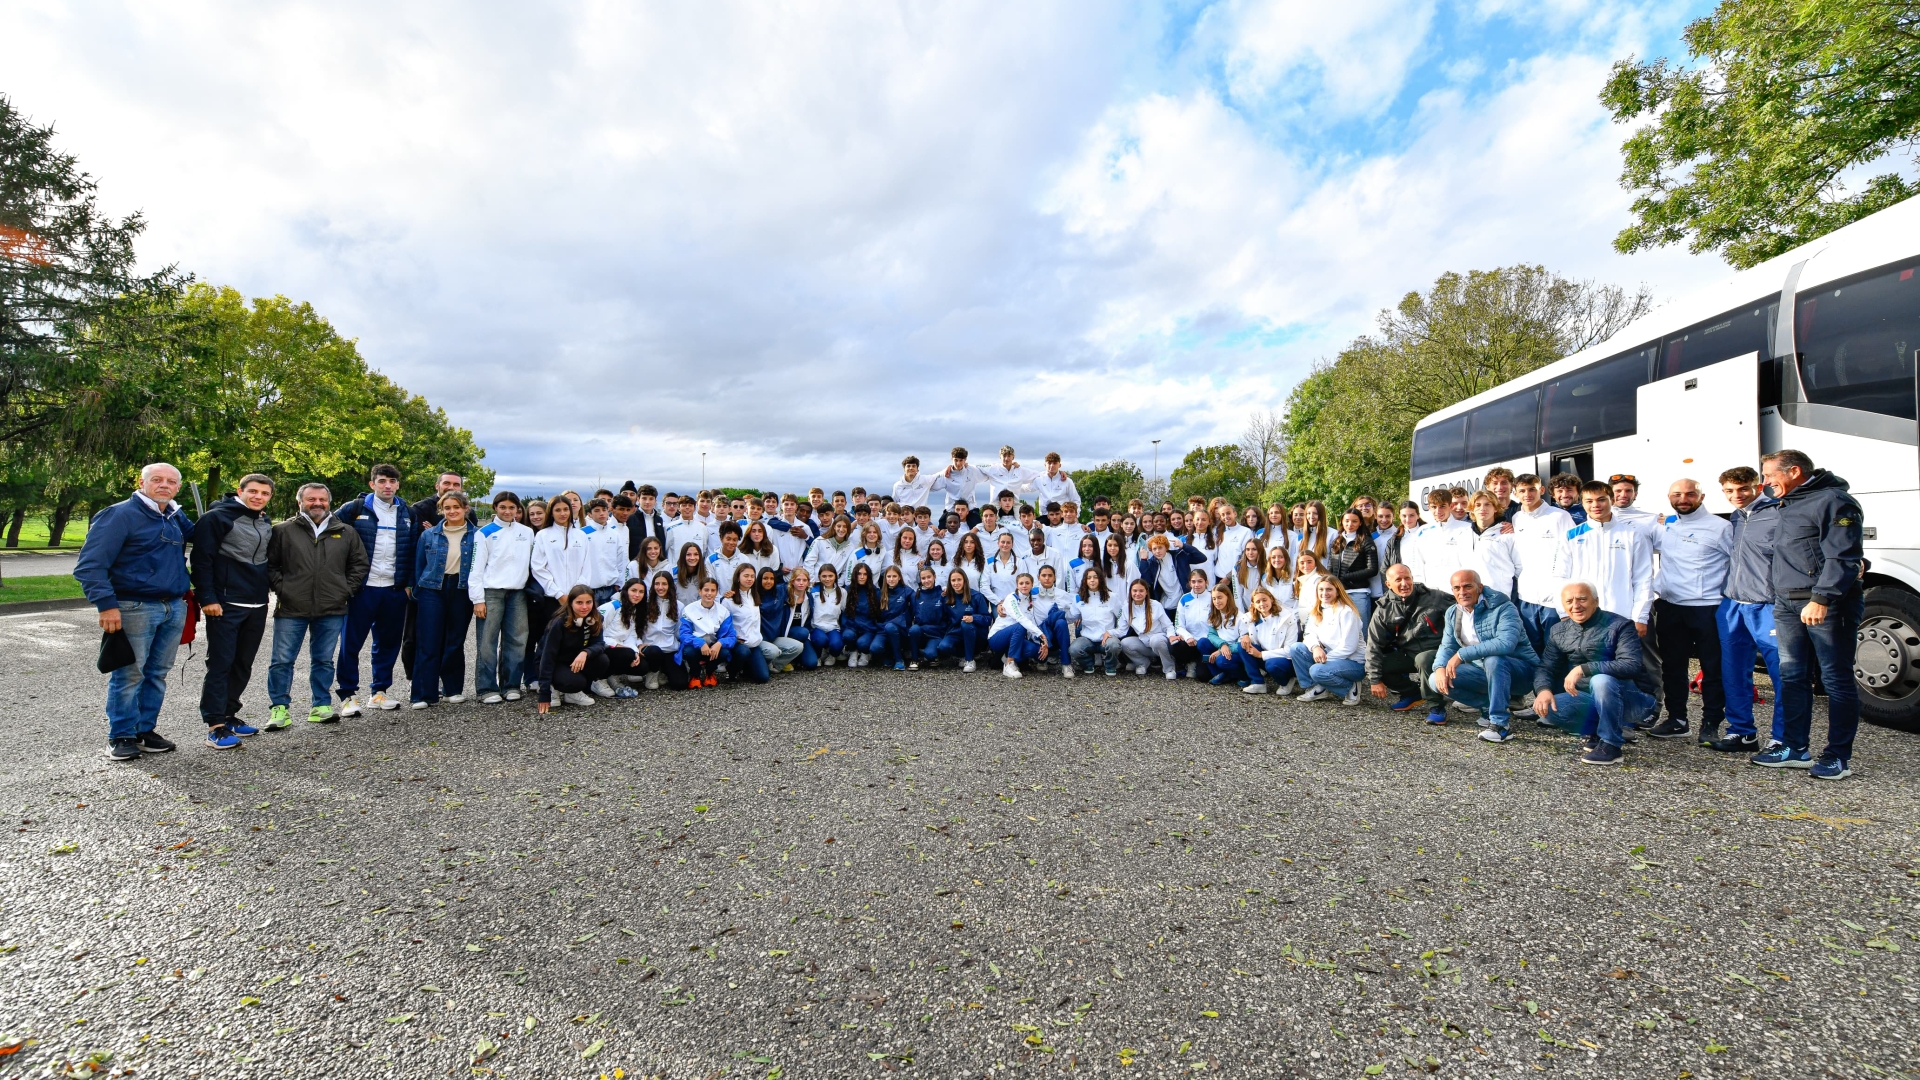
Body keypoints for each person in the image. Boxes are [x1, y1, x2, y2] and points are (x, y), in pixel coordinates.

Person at [1750, 450, 1865, 779]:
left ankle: (1837, 757)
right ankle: (1794, 747)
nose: (1766, 482)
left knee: (1835, 680)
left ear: (1794, 471)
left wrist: (1823, 597)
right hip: (1786, 603)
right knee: (1793, 677)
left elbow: (1843, 556)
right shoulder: (1789, 502)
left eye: (1770, 475)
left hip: (1823, 605)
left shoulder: (1833, 501)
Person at [74, 462, 196, 760]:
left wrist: (178, 511)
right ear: (141, 482)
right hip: (134, 606)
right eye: (157, 480)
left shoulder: (171, 518)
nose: (164, 485)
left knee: (157, 674)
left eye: (171, 481)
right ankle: (121, 735)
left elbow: (200, 538)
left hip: (173, 606)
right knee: (130, 674)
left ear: (178, 488)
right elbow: (90, 566)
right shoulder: (120, 515)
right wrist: (106, 605)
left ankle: (144, 730)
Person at [265, 482, 369, 728]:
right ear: (299, 501)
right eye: (311, 499)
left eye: (322, 499)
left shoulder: (345, 532)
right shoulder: (282, 531)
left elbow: (359, 565)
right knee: (281, 660)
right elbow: (270, 566)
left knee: (323, 660)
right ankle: (279, 709)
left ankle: (321, 705)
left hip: (331, 608)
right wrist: (285, 590)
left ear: (328, 502)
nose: (317, 503)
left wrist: (344, 590)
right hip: (291, 607)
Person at [1531, 581, 1658, 766]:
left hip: (1634, 699)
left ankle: (1611, 745)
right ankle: (1597, 732)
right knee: (1549, 708)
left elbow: (1631, 664)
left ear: (1596, 601)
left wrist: (1583, 669)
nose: (1576, 606)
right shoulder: (1559, 631)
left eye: (1582, 599)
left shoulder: (1621, 625)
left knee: (1601, 681)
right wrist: (1543, 689)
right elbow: (1545, 667)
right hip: (1589, 697)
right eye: (1570, 601)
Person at [190, 473, 275, 748]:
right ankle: (215, 725)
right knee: (220, 663)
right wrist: (207, 599)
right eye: (253, 491)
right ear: (240, 491)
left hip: (257, 603)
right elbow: (201, 560)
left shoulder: (264, 519)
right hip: (225, 604)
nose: (258, 497)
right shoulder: (216, 518)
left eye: (264, 493)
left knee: (242, 664)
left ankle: (230, 714)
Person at [1648, 478, 1731, 742]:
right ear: (1669, 497)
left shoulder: (1721, 527)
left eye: (1690, 494)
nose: (1683, 499)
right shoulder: (1667, 527)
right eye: (1677, 495)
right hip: (1672, 607)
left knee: (1712, 668)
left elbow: (1739, 563)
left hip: (1708, 608)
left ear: (1702, 496)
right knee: (1673, 667)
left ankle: (1711, 723)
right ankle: (1677, 719)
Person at [332, 463, 415, 716]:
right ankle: (347, 695)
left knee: (387, 643)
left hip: (394, 589)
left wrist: (408, 584)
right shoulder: (354, 509)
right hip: (362, 589)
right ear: (372, 484)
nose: (387, 485)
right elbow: (331, 536)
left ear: (398, 484)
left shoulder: (407, 512)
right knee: (351, 644)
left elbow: (413, 549)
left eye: (392, 481)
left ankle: (379, 692)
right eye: (382, 481)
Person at [1713, 466, 1782, 753]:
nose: (1737, 495)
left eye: (1743, 489)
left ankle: (1783, 737)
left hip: (1767, 605)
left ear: (1757, 486)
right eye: (1729, 491)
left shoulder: (1779, 512)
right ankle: (1742, 732)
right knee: (1734, 672)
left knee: (1782, 674)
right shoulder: (1735, 517)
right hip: (1733, 604)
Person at [1428, 569, 1539, 743]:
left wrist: (1462, 654)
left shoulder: (1503, 607)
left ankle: (1500, 726)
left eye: (1467, 586)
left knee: (1493, 659)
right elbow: (1447, 645)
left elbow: (1506, 643)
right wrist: (1440, 667)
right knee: (1435, 680)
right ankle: (1489, 706)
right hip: (1482, 671)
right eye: (1457, 588)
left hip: (1521, 672)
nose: (1462, 592)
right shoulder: (1453, 612)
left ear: (1480, 587)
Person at [410, 491, 477, 709]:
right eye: (447, 508)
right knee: (428, 642)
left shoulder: (477, 536)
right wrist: (418, 591)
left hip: (461, 589)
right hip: (432, 589)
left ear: (466, 509)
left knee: (455, 641)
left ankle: (452, 689)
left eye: (456, 507)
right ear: (442, 510)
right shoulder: (429, 535)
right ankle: (423, 694)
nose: (452, 511)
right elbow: (419, 565)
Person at [1365, 563, 1452, 723]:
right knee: (1383, 665)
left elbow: (1462, 611)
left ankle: (1437, 706)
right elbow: (1373, 645)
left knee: (1423, 659)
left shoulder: (1434, 597)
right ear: (1388, 584)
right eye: (1398, 580)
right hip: (1410, 653)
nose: (1404, 584)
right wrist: (1374, 679)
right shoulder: (1383, 609)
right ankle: (1412, 693)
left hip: (1439, 653)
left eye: (1407, 578)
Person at [470, 491, 534, 704]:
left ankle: (511, 684)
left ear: (518, 509)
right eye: (503, 507)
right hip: (491, 593)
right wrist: (477, 599)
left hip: (518, 592)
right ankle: (486, 688)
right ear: (495, 508)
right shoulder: (484, 533)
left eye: (512, 507)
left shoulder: (527, 532)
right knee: (487, 641)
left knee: (517, 639)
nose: (508, 511)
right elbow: (476, 568)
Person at [401, 471, 463, 678]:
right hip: (425, 581)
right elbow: (419, 540)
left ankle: (443, 678)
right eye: (446, 483)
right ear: (437, 486)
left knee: (449, 635)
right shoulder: (420, 508)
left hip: (455, 584)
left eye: (456, 484)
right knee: (415, 635)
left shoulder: (467, 513)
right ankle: (415, 678)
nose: (451, 487)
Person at [1508, 473, 1574, 656]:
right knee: (1533, 651)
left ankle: (1558, 686)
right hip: (1527, 598)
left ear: (1542, 490)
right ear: (1515, 493)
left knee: (1556, 651)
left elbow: (1572, 555)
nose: (1527, 494)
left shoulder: (1560, 516)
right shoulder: (1517, 519)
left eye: (1532, 489)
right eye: (1522, 490)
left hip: (1554, 599)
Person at [1288, 577, 1366, 703]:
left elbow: (1348, 647)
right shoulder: (1317, 610)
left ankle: (1350, 686)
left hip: (1353, 663)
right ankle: (1317, 688)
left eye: (1329, 589)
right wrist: (1315, 648)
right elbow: (1309, 634)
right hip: (1331, 658)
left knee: (1317, 670)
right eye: (1321, 589)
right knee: (1297, 648)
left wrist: (1323, 659)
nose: (1324, 593)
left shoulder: (1347, 612)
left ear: (1338, 591)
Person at [537, 585, 607, 710]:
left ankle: (572, 693)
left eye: (588, 602)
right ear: (571, 603)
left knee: (602, 660)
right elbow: (548, 656)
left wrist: (585, 652)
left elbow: (599, 643)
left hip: (575, 659)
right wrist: (544, 692)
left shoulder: (596, 618)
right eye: (579, 602)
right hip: (555, 662)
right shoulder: (559, 623)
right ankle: (554, 687)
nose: (584, 607)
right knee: (575, 682)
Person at [1405, 490, 1473, 592]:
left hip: (1458, 592)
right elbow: (1418, 564)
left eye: (1442, 506)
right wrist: (1420, 589)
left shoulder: (1467, 529)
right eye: (1434, 507)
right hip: (1430, 593)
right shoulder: (1423, 531)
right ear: (1429, 508)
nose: (1438, 511)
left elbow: (1470, 563)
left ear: (1451, 506)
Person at [986, 571, 1048, 678]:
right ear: (1017, 585)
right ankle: (1009, 664)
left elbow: (1032, 622)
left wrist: (1041, 642)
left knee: (1038, 653)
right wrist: (1041, 635)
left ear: (1032, 585)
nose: (1024, 586)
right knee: (1020, 626)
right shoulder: (1011, 598)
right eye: (1021, 583)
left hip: (1015, 639)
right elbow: (1021, 618)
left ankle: (1007, 656)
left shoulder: (1031, 599)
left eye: (1027, 583)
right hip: (997, 638)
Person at [1325, 509, 1379, 627]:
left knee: (1361, 629)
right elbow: (1331, 566)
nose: (1350, 524)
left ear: (1360, 523)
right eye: (1347, 521)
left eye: (1354, 521)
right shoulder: (1337, 541)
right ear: (1342, 522)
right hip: (1338, 593)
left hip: (1358, 593)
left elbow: (1373, 569)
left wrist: (1347, 577)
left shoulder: (1366, 541)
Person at [678, 577, 735, 688]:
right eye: (706, 590)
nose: (709, 593)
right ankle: (695, 675)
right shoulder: (689, 609)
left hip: (714, 647)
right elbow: (684, 634)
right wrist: (700, 643)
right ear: (700, 591)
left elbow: (731, 636)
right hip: (696, 646)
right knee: (688, 651)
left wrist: (720, 643)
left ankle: (710, 673)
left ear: (717, 592)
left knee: (725, 652)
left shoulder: (724, 611)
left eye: (713, 590)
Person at [1116, 578, 1177, 679]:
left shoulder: (1155, 605)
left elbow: (1168, 625)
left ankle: (1169, 668)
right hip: (1144, 643)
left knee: (1155, 640)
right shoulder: (1126, 608)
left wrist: (1171, 636)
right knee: (1125, 643)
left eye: (1141, 591)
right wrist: (1109, 633)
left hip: (1160, 642)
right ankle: (1142, 663)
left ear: (1146, 592)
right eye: (1135, 591)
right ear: (1130, 592)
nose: (1137, 593)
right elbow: (1121, 630)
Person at [939, 568, 992, 671]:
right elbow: (944, 619)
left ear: (965, 580)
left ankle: (970, 660)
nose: (956, 583)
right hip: (956, 633)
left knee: (966, 624)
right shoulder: (947, 598)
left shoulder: (976, 596)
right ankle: (963, 655)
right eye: (953, 580)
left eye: (959, 579)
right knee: (943, 647)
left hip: (975, 633)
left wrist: (973, 618)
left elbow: (988, 619)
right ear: (949, 582)